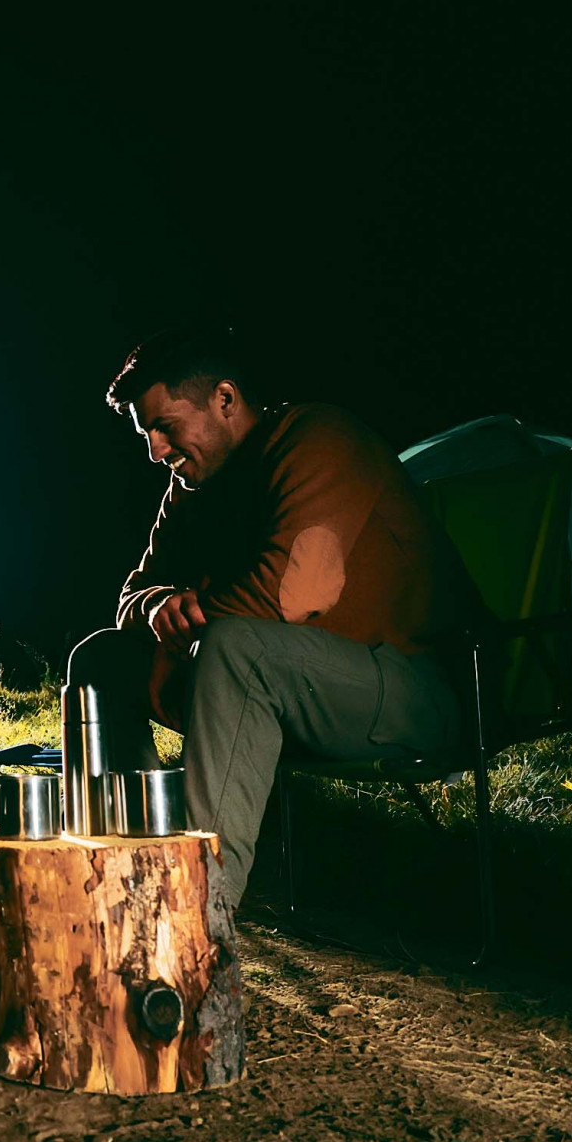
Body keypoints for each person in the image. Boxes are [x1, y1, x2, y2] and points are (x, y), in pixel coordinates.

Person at [69, 330, 480, 916]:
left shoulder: (318, 440)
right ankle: (127, 878)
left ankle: (195, 917)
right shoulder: (190, 490)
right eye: (146, 435)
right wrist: (159, 605)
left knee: (237, 647)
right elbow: (132, 597)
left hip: (415, 689)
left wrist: (185, 631)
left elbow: (292, 596)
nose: (156, 451)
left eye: (165, 426)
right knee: (100, 659)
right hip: (284, 687)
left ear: (225, 400)